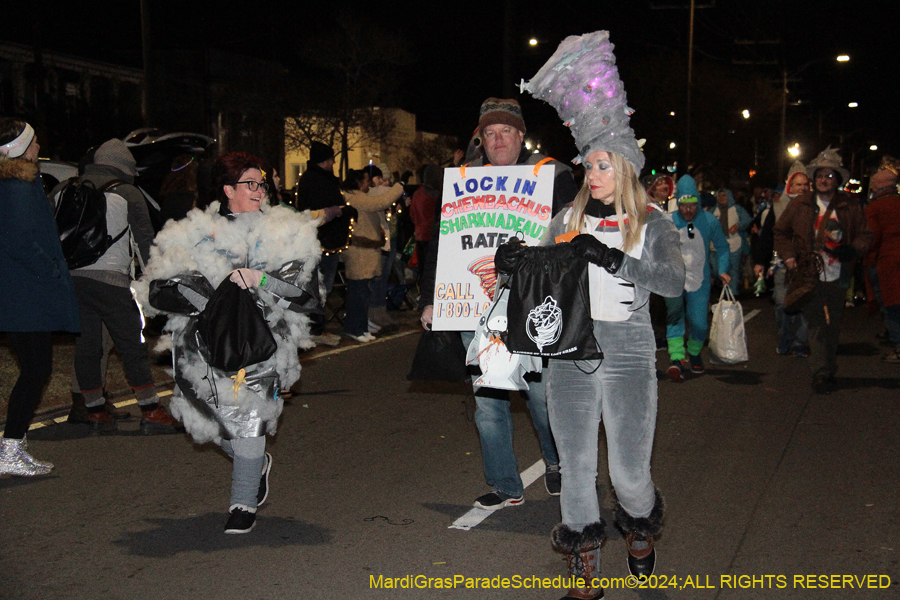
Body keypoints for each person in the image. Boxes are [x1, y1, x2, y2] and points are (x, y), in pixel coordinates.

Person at [512, 30, 685, 598]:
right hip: (572, 353)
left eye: (604, 165)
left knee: (629, 475)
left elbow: (674, 282)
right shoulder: (566, 217)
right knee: (577, 470)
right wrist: (514, 262)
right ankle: (585, 564)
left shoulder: (653, 222)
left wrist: (611, 257)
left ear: (627, 169)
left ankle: (640, 530)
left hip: (631, 353)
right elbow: (538, 272)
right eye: (589, 165)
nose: (593, 174)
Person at [134, 152, 321, 533]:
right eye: (250, 184)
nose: (259, 191)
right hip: (204, 343)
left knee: (250, 417)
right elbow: (161, 283)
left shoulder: (287, 230)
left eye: (262, 184)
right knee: (208, 420)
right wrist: (206, 295)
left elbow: (305, 293)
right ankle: (254, 464)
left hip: (263, 340)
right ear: (227, 189)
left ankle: (242, 502)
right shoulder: (194, 231)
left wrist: (259, 279)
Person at [419, 97, 574, 510]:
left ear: (521, 136)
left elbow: (570, 238)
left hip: (533, 305)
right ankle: (505, 483)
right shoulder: (463, 180)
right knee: (487, 402)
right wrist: (431, 298)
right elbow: (441, 244)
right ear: (481, 140)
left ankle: (557, 462)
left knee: (540, 398)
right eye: (489, 133)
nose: (498, 139)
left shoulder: (551, 175)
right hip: (478, 308)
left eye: (506, 131)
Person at [55, 139, 178, 435]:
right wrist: (157, 278)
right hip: (111, 281)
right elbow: (146, 243)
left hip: (72, 280)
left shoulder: (62, 189)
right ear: (125, 168)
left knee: (87, 346)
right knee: (132, 345)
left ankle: (95, 412)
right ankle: (150, 409)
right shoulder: (127, 193)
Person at [0, 119, 80, 476]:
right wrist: (50, 269)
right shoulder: (17, 186)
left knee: (35, 369)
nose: (38, 147)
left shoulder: (16, 183)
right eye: (33, 142)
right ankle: (9, 449)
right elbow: (19, 241)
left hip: (21, 292)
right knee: (36, 370)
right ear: (21, 148)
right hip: (25, 294)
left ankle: (14, 447)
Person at [774, 147, 873, 394]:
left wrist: (852, 249)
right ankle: (821, 372)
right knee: (817, 323)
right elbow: (780, 232)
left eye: (829, 176)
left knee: (833, 323)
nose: (823, 180)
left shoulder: (849, 207)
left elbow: (866, 235)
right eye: (820, 175)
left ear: (837, 180)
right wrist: (788, 257)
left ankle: (828, 366)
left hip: (839, 275)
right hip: (808, 274)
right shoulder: (801, 205)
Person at [665, 175, 730, 381]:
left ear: (698, 203)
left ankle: (693, 352)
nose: (688, 210)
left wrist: (723, 269)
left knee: (700, 323)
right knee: (675, 317)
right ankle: (676, 358)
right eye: (684, 205)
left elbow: (722, 247)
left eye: (692, 205)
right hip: (673, 280)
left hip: (699, 281)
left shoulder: (709, 221)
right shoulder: (668, 221)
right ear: (678, 203)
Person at [753, 161, 810, 356]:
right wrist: (760, 261)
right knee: (781, 301)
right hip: (782, 264)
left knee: (805, 302)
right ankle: (785, 336)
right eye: (798, 184)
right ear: (789, 186)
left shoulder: (815, 207)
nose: (802, 188)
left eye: (805, 184)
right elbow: (767, 237)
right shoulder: (778, 208)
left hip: (807, 264)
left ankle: (801, 342)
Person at [340, 167, 403, 342]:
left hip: (364, 251)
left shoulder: (357, 196)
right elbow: (380, 202)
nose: (369, 184)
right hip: (359, 252)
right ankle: (354, 328)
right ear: (359, 183)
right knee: (358, 292)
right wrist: (399, 187)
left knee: (362, 291)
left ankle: (360, 327)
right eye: (366, 180)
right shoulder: (355, 198)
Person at [294, 141, 345, 346]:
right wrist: (340, 210)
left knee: (322, 286)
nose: (334, 162)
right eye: (331, 159)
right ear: (324, 160)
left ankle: (317, 326)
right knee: (319, 287)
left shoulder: (318, 179)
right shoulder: (317, 181)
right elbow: (316, 213)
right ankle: (315, 328)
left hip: (327, 241)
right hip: (322, 242)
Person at [863, 157, 900, 362]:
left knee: (891, 304)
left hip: (886, 263)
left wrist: (866, 259)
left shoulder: (875, 207)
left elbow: (872, 238)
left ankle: (898, 344)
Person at [712, 188, 751, 296]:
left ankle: (732, 293)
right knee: (716, 268)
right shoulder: (713, 211)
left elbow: (747, 219)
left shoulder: (737, 209)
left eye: (724, 195)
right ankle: (722, 285)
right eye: (720, 195)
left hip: (734, 243)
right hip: (717, 245)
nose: (722, 198)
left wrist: (738, 225)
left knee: (733, 268)